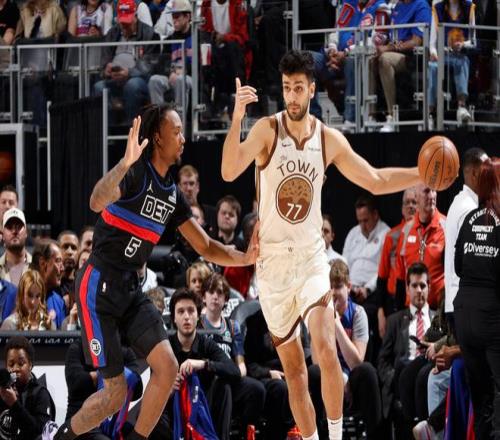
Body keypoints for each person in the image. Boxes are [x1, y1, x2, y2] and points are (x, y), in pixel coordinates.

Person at [221, 49, 421, 440]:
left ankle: (336, 435)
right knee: (296, 373)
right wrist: (237, 117)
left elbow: (376, 179)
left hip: (311, 258)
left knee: (326, 348)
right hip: (273, 267)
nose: (292, 96)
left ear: (312, 89)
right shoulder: (267, 130)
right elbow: (228, 171)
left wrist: (421, 174)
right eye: (286, 88)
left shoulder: (327, 139)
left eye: (299, 88)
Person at [43, 103, 258, 440]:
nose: (183, 139)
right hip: (97, 288)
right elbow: (96, 201)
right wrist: (123, 164)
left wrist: (246, 257)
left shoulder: (172, 193)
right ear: (158, 137)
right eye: (177, 132)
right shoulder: (134, 173)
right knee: (115, 394)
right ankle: (62, 437)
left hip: (130, 288)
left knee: (168, 367)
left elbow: (205, 246)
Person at [151, 288, 241, 440]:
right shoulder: (164, 348)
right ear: (173, 318)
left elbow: (234, 371)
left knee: (225, 387)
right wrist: (168, 390)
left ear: (198, 315)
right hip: (173, 412)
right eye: (181, 312)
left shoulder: (206, 344)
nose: (186, 316)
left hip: (202, 409)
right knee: (152, 413)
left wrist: (204, 364)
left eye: (191, 311)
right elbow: (151, 390)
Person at [309, 259, 382, 439]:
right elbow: (317, 360)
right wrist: (337, 378)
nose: (333, 292)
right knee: (314, 372)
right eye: (329, 287)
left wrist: (336, 323)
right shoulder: (317, 315)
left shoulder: (358, 313)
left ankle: (376, 435)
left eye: (338, 286)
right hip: (328, 377)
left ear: (348, 287)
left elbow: (356, 361)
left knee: (367, 371)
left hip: (352, 381)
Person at [453, 157, 500, 439]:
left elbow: (458, 266)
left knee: (481, 398)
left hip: (464, 315)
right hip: (490, 315)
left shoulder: (470, 219)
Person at [199, 273, 266, 438]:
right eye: (211, 292)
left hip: (229, 376)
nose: (215, 296)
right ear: (204, 297)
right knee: (223, 387)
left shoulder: (233, 326)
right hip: (206, 379)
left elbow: (241, 365)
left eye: (220, 293)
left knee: (257, 389)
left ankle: (245, 434)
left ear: (226, 299)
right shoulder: (197, 324)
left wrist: (234, 372)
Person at [377, 262, 433, 436]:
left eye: (422, 285)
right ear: (407, 288)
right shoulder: (394, 321)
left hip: (429, 377)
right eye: (414, 285)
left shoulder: (439, 319)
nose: (419, 290)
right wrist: (394, 378)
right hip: (402, 379)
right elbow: (383, 360)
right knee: (402, 365)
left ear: (429, 287)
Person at [444, 148, 487, 324]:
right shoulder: (469, 210)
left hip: (459, 302)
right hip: (465, 305)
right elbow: (472, 261)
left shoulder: (460, 202)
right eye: (486, 170)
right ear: (475, 174)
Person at [377, 187, 417, 338]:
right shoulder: (391, 236)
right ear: (401, 208)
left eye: (414, 202)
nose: (410, 206)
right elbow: (382, 276)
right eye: (407, 203)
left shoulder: (424, 234)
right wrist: (380, 312)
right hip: (393, 302)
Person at [428, 0, 476, 125]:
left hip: (460, 54)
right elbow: (432, 44)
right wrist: (434, 53)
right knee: (432, 67)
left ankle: (462, 106)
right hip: (442, 54)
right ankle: (430, 112)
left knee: (462, 62)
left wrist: (463, 44)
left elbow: (473, 41)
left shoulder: (469, 7)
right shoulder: (437, 8)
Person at [0, 336, 56, 439]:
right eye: (11, 364)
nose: (15, 369)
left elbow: (41, 433)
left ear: (30, 365)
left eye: (21, 364)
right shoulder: (2, 391)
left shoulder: (40, 394)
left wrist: (14, 404)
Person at [0, 208, 32, 286]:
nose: (14, 231)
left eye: (19, 226)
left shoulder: (37, 266)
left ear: (26, 232)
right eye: (9, 227)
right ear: (2, 235)